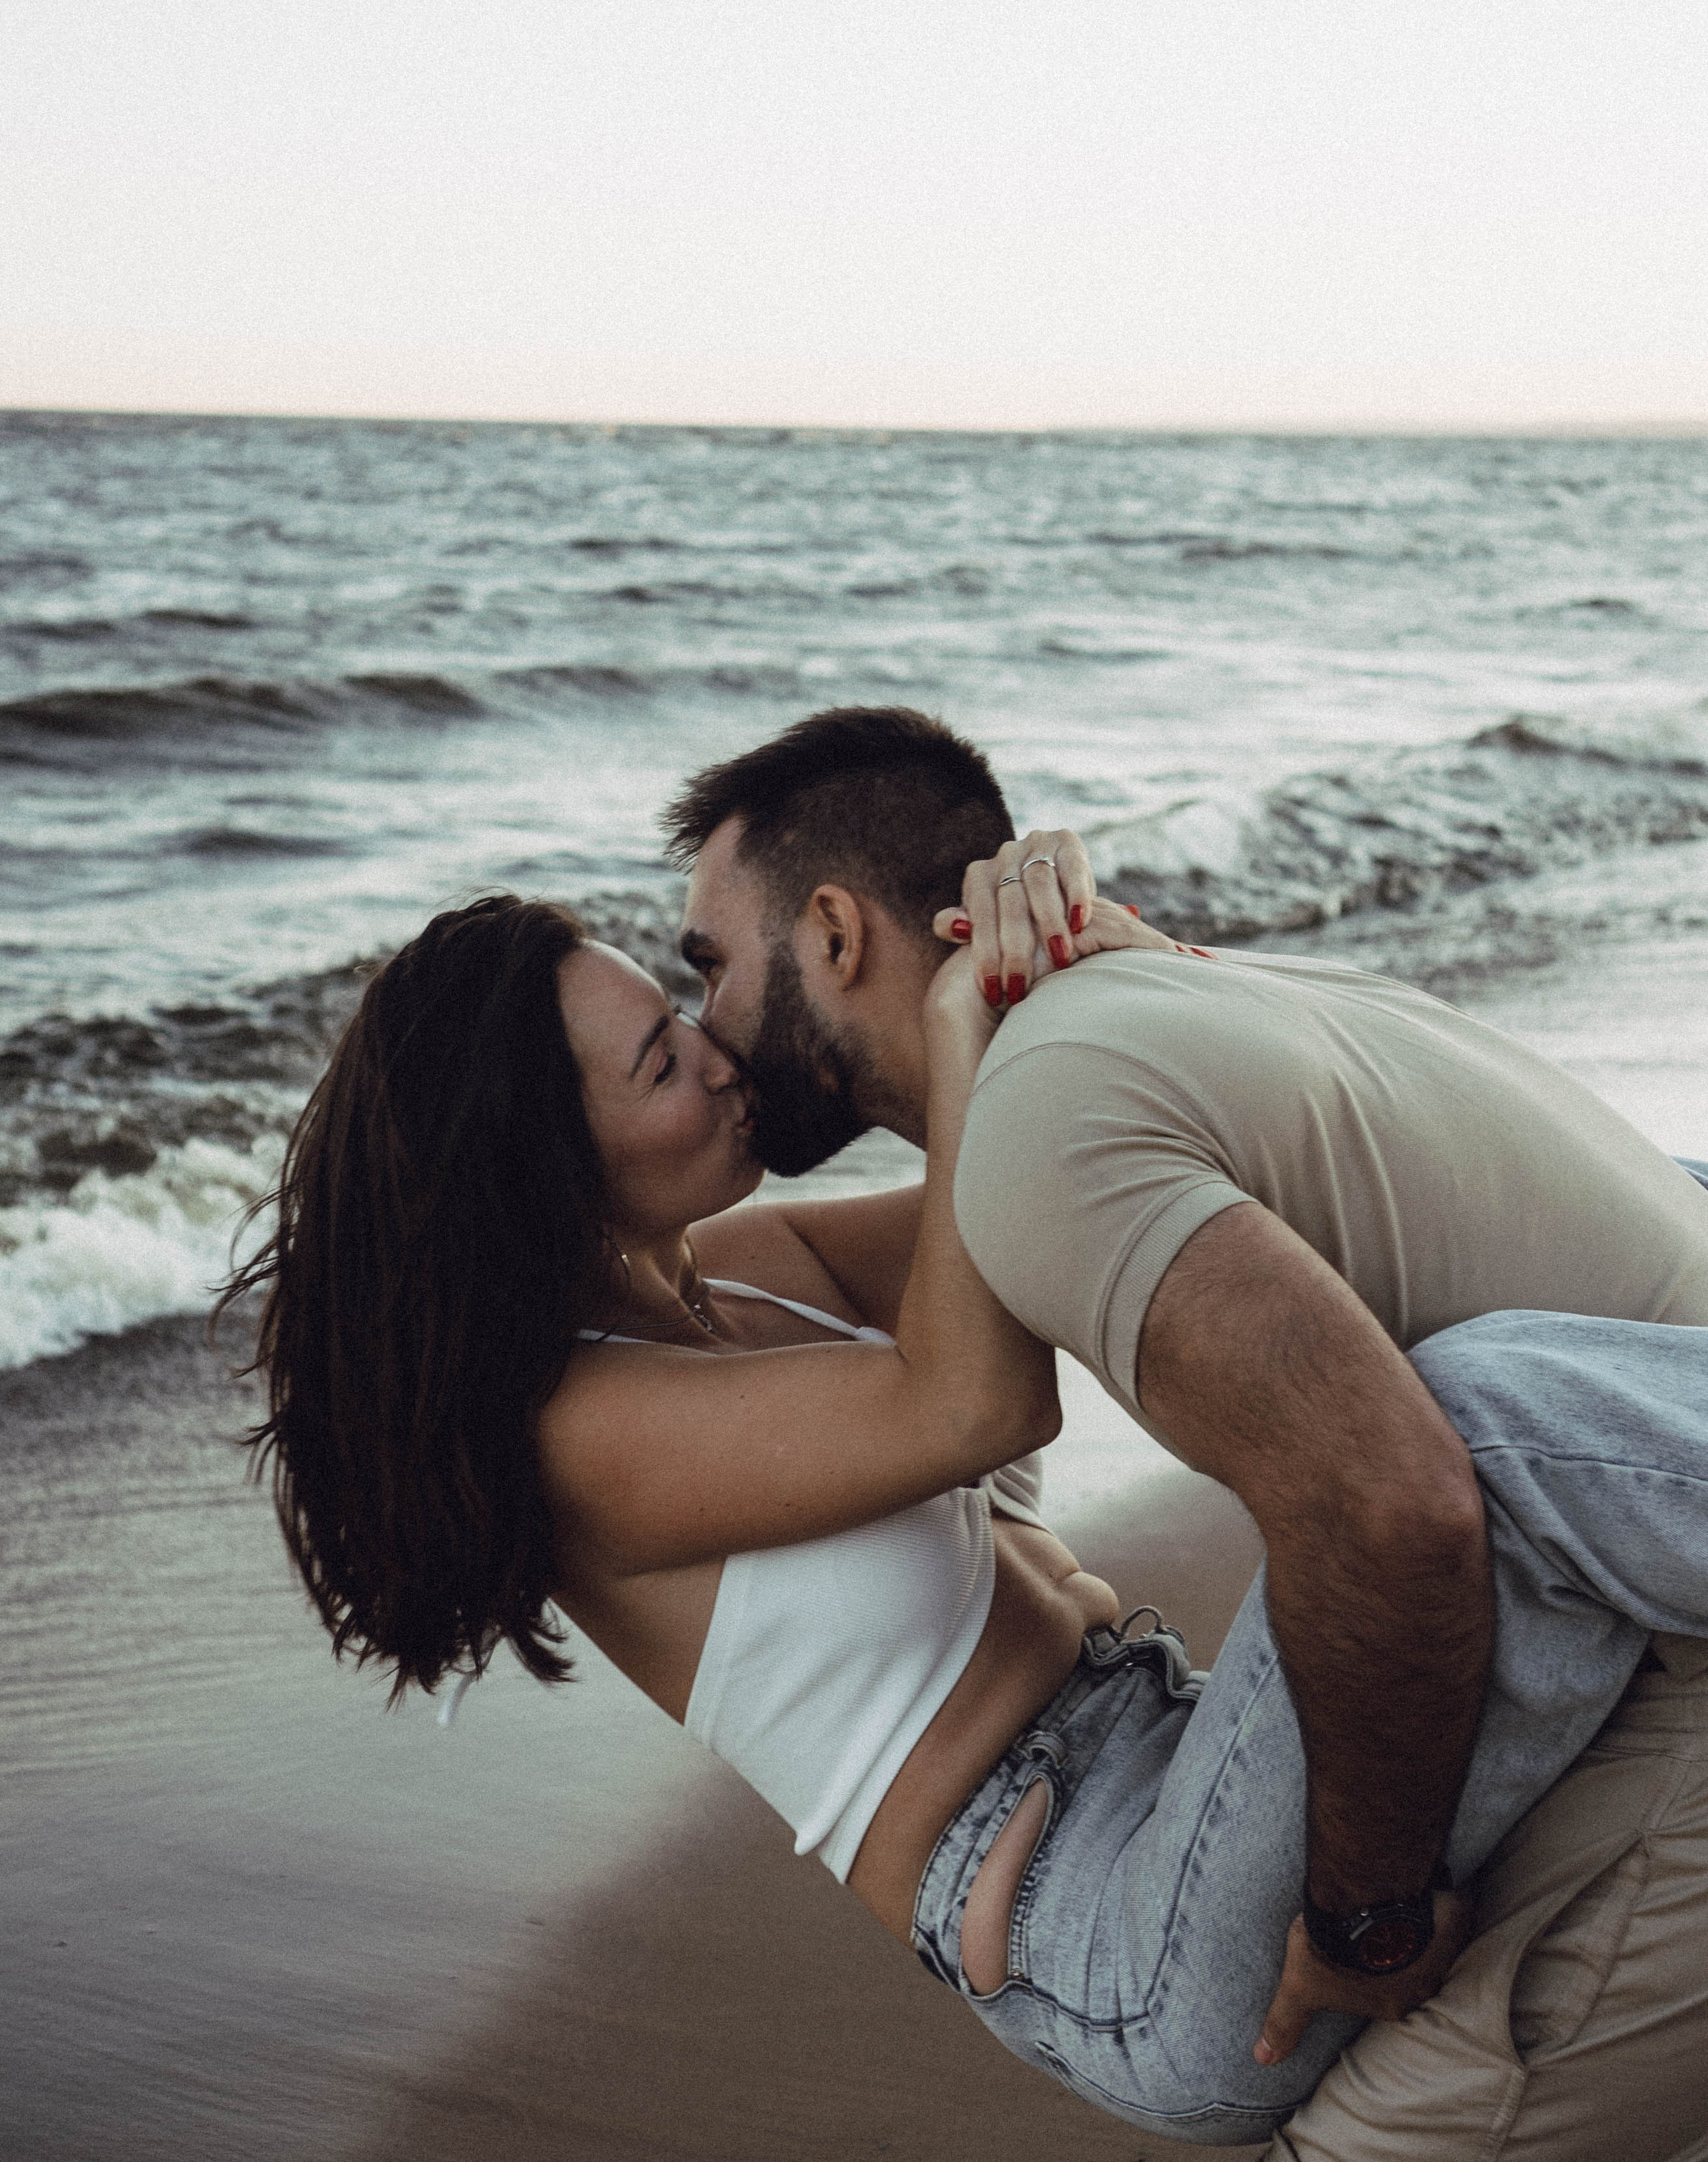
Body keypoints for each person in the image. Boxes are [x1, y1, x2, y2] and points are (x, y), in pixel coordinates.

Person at [227, 881, 1708, 2149]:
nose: (722, 1060)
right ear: (550, 1168)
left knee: (1657, 1214)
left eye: (684, 1018)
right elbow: (975, 1402)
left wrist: (1085, 956)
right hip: (1124, 1938)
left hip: (1185, 1766)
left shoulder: (744, 1271)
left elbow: (1088, 1173)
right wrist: (952, 1019)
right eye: (663, 1063)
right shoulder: (580, 1438)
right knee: (1483, 1430)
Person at [664, 703, 1708, 2153]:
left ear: (834, 934)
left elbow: (1388, 1507)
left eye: (704, 965)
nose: (700, 1031)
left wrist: (1363, 1917)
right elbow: (859, 1268)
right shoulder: (1203, 998)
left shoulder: (1049, 1123)